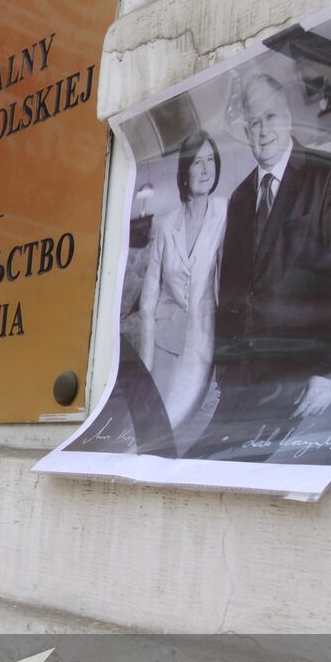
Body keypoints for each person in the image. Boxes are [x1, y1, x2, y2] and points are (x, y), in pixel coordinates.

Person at [189, 72, 331, 461]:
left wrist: (330, 372)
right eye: (253, 122)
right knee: (199, 465)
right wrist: (223, 366)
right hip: (241, 378)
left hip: (297, 373)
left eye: (270, 117)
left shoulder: (326, 174)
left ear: (287, 117)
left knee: (247, 470)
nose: (262, 130)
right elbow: (232, 290)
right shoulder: (239, 197)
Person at [137, 129, 228, 436]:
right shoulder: (165, 225)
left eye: (210, 160)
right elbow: (149, 299)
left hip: (205, 340)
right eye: (197, 162)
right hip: (164, 344)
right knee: (155, 423)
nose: (205, 169)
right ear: (185, 171)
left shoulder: (225, 212)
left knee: (181, 420)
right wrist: (146, 362)